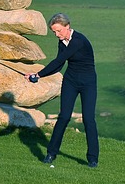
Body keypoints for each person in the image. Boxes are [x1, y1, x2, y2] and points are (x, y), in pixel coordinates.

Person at [26, 13, 99, 167]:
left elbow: (59, 60)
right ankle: (51, 154)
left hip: (88, 83)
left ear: (67, 26)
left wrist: (38, 75)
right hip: (71, 81)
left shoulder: (78, 41)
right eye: (54, 32)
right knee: (64, 117)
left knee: (88, 119)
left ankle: (92, 158)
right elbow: (59, 65)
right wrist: (37, 76)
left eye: (59, 31)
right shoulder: (62, 42)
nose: (57, 35)